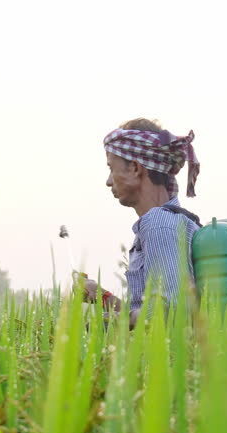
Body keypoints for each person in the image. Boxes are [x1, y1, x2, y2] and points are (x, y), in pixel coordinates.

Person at [81, 118, 201, 329]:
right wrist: (104, 298)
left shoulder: (159, 224)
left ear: (135, 168)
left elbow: (168, 313)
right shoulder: (167, 222)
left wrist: (104, 325)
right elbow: (150, 313)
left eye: (111, 168)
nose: (108, 181)